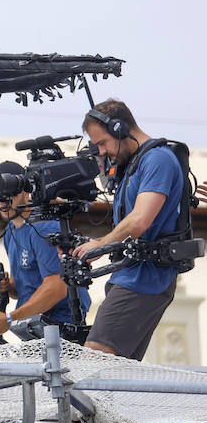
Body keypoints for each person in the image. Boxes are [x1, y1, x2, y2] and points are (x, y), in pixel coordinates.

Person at [72, 100, 186, 360]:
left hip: (144, 279)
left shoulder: (157, 159)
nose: (101, 151)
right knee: (118, 369)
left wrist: (101, 243)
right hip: (131, 275)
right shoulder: (134, 164)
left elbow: (139, 221)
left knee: (95, 359)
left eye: (102, 143)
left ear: (121, 129)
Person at [0, 161, 90, 341]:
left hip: (58, 328)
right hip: (32, 328)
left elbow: (57, 287)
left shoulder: (43, 227)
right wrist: (6, 287)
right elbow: (23, 288)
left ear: (25, 190)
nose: (1, 201)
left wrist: (9, 319)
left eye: (7, 193)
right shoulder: (11, 231)